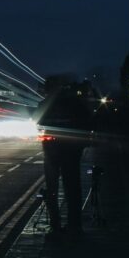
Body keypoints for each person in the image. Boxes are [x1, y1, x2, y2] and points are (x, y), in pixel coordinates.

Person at [36, 78, 92, 237]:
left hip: (52, 150)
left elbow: (37, 121)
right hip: (72, 150)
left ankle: (55, 226)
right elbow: (88, 123)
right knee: (73, 188)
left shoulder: (47, 104)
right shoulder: (76, 104)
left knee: (52, 189)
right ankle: (75, 225)